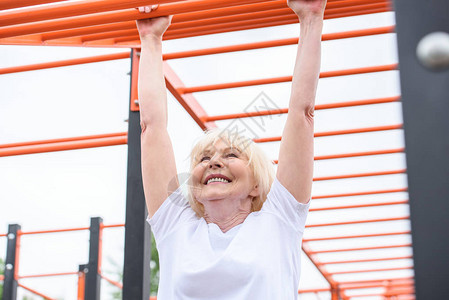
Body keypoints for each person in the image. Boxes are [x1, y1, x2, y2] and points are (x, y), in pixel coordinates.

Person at [136, 0, 326, 298]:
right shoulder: (176, 227)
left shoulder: (279, 220)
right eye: (204, 158)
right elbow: (151, 128)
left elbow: (302, 114)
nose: (214, 163)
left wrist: (311, 18)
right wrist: (150, 39)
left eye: (231, 155)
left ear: (255, 184)